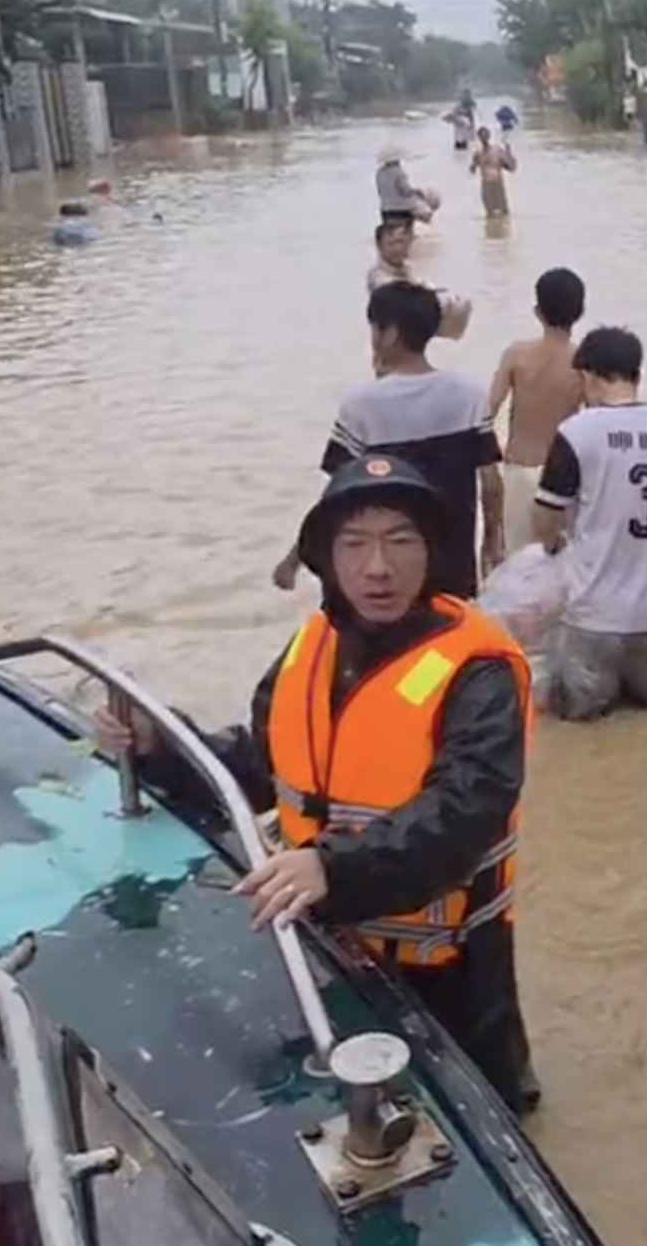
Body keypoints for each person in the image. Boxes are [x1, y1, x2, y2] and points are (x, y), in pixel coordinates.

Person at [100, 455, 540, 1114]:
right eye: (354, 544)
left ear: (432, 552)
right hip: (327, 934)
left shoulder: (480, 670)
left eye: (400, 541)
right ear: (326, 559)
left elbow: (464, 812)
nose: (378, 567)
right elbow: (258, 766)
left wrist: (332, 867)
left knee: (488, 1109)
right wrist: (160, 747)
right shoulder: (311, 646)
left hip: (450, 962)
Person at [276, 282, 503, 598]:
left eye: (374, 329)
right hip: (454, 569)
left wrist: (293, 561)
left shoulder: (362, 405)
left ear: (390, 334)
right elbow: (491, 481)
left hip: (387, 574)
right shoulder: (469, 394)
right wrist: (493, 541)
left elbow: (334, 497)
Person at [530, 328, 647, 721]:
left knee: (575, 728)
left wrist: (557, 546)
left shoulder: (576, 434)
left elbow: (545, 521)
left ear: (589, 375)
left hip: (593, 619)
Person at [484, 267, 585, 550]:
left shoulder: (517, 355)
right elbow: (595, 423)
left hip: (519, 468)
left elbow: (487, 412)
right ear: (580, 311)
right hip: (562, 475)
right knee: (563, 558)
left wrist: (487, 462)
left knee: (518, 560)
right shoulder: (583, 363)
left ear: (537, 312)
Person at [376, 145, 437, 226]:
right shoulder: (399, 173)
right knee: (426, 214)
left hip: (385, 209)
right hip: (402, 209)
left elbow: (380, 192)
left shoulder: (379, 173)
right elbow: (406, 191)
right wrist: (418, 192)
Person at [469, 128, 516, 218]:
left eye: (485, 136)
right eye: (481, 136)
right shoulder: (478, 153)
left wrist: (509, 152)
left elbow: (512, 168)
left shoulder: (497, 151)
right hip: (486, 183)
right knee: (490, 213)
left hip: (497, 183)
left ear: (489, 136)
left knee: (504, 211)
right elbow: (472, 170)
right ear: (479, 138)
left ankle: (503, 226)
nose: (484, 138)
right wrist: (474, 163)